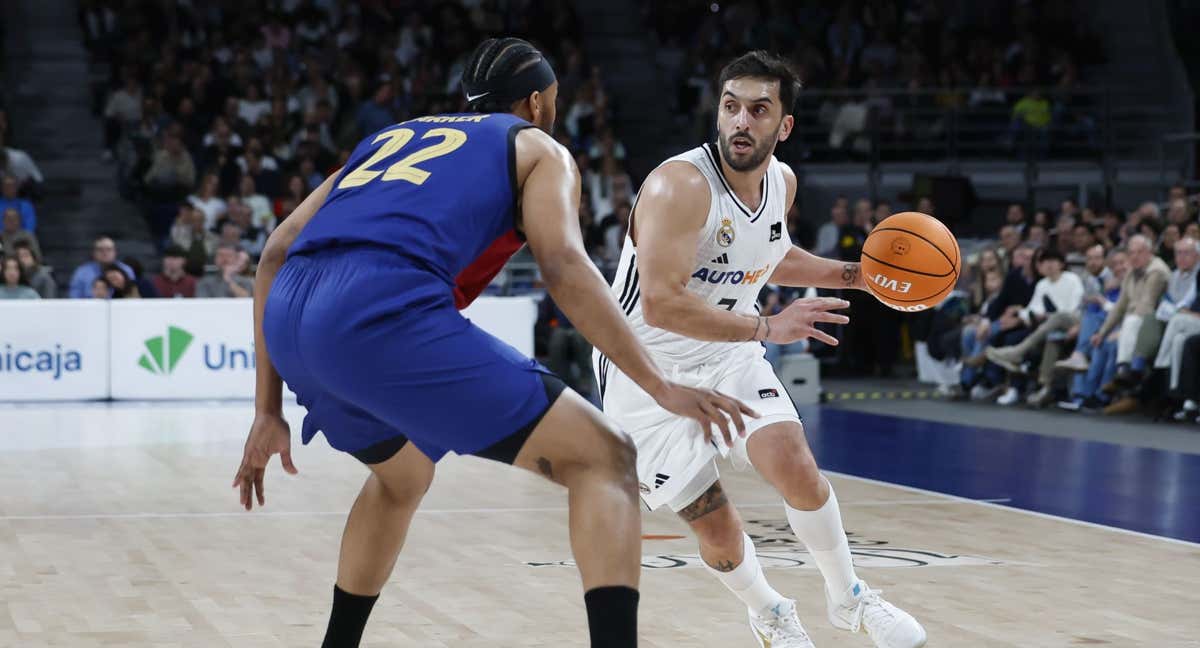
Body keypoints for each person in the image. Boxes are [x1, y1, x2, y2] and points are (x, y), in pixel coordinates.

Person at [232, 37, 755, 648]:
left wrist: (267, 410)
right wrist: (660, 385)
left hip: (294, 312)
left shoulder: (391, 136)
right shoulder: (539, 148)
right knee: (607, 457)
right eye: (555, 100)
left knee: (402, 477)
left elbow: (273, 252)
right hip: (378, 306)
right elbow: (563, 266)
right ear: (535, 102)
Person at [593, 51, 925, 648]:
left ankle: (850, 599)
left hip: (728, 354)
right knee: (717, 530)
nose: (741, 121)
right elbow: (661, 305)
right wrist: (769, 328)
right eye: (730, 107)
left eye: (758, 109)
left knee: (795, 464)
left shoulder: (782, 182)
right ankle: (768, 610)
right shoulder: (678, 186)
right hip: (646, 371)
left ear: (784, 125)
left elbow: (769, 253)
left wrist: (861, 274)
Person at [68, 236, 135, 298]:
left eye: (109, 249)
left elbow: (133, 296)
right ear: (93, 252)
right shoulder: (82, 272)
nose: (105, 253)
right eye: (100, 250)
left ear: (115, 252)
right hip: (88, 309)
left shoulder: (126, 270)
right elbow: (74, 298)